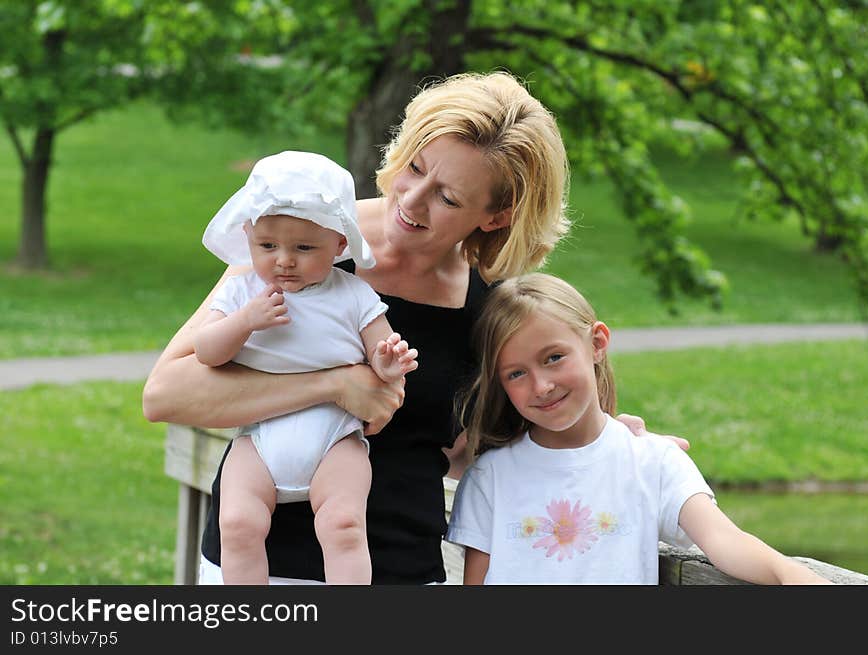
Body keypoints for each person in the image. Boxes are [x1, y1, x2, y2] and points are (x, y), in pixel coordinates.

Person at [143, 71, 678, 584]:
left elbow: (477, 448)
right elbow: (166, 394)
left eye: (448, 198)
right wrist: (333, 385)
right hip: (255, 565)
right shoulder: (307, 238)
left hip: (403, 572)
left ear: (496, 216)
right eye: (417, 168)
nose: (412, 201)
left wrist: (606, 444)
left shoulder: (488, 304)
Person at [446, 273, 830, 585]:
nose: (542, 385)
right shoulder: (490, 477)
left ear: (596, 344)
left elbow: (722, 539)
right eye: (517, 373)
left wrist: (790, 574)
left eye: (554, 357)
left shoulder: (653, 462)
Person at [192, 151, 418, 584]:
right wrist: (245, 323)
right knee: (238, 524)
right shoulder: (244, 291)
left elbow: (381, 356)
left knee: (344, 525)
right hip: (258, 438)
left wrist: (389, 363)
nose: (284, 260)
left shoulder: (352, 294)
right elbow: (206, 351)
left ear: (338, 245)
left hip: (335, 439)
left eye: (304, 248)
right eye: (267, 246)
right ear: (248, 236)